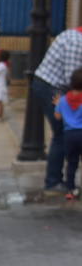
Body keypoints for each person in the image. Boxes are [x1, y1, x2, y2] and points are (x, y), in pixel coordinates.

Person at [31, 24, 82, 192]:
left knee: (64, 133)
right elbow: (73, 80)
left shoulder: (75, 36)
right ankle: (53, 182)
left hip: (53, 86)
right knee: (61, 133)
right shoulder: (77, 42)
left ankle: (58, 179)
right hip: (51, 87)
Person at [54, 67, 82, 199]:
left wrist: (57, 104)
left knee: (71, 163)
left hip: (69, 135)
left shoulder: (63, 100)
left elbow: (57, 117)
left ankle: (70, 190)